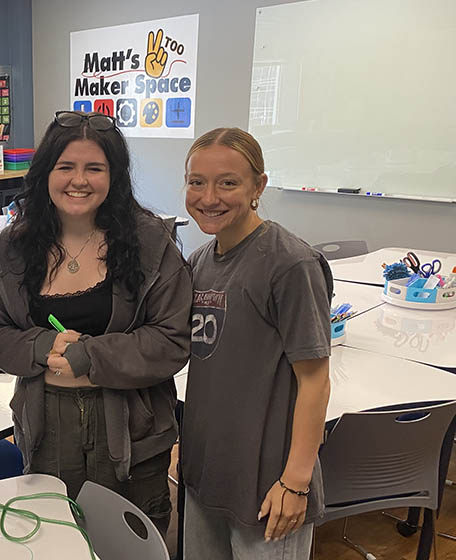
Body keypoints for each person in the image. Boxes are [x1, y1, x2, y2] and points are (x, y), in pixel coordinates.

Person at [0, 110, 192, 533]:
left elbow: (172, 339)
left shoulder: (150, 242)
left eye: (94, 168)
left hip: (134, 430)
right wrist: (43, 347)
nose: (79, 180)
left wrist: (89, 356)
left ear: (114, 175)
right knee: (58, 539)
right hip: (47, 430)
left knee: (130, 544)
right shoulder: (15, 248)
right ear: (46, 173)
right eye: (66, 167)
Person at [180, 127, 332, 559]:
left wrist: (295, 483)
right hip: (208, 472)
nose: (210, 197)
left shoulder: (290, 264)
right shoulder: (200, 262)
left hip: (269, 483)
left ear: (257, 187)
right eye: (197, 182)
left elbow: (316, 381)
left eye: (228, 182)